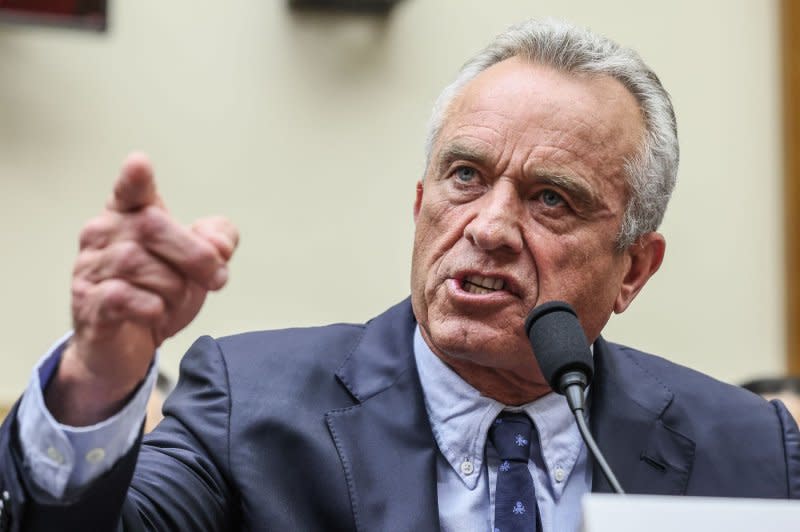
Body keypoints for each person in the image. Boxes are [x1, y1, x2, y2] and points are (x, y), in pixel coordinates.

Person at [0, 18, 798, 532]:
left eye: (551, 199)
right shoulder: (250, 409)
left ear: (635, 270)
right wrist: (98, 378)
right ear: (420, 203)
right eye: (464, 177)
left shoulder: (750, 451)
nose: (486, 227)